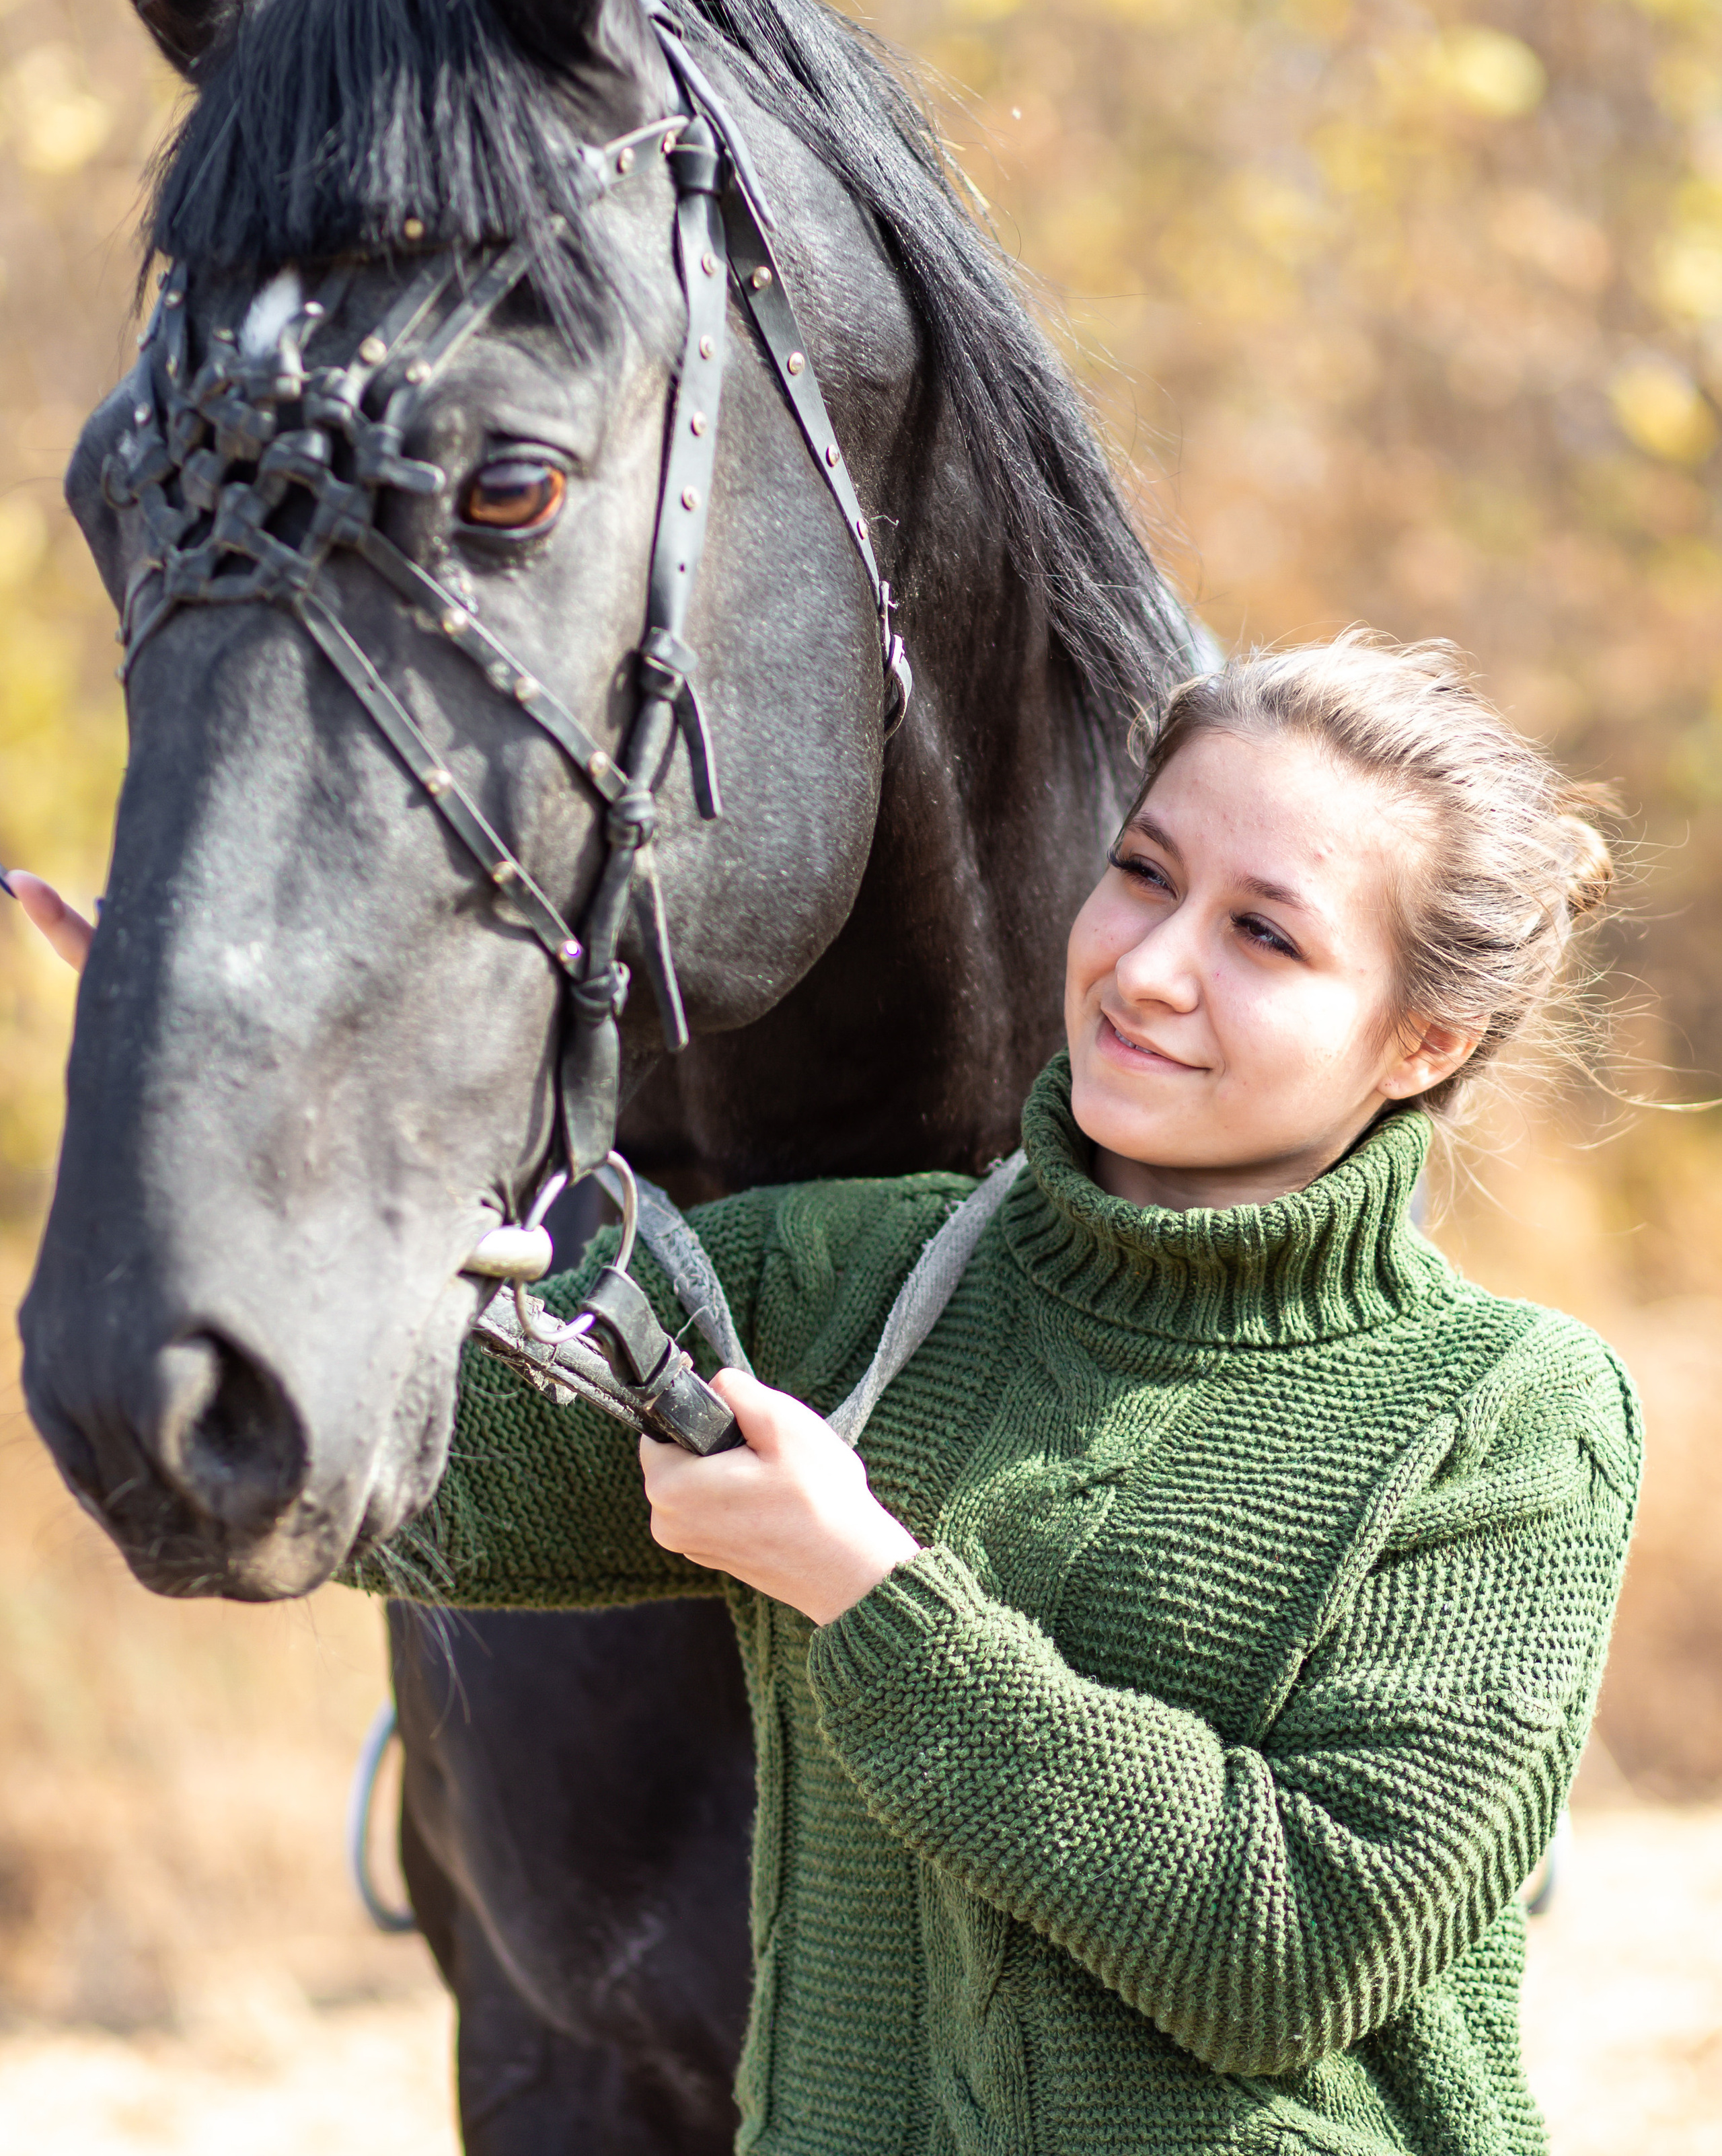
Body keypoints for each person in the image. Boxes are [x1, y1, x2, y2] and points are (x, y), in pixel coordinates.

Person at [13, 632, 1641, 2153]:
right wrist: (243, 1141)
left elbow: (1292, 1947)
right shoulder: (839, 1284)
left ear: (1419, 1043)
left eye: (1261, 934)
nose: (1146, 969)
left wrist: (864, 1589)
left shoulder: (1505, 1417)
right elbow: (362, 1474)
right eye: (1140, 874)